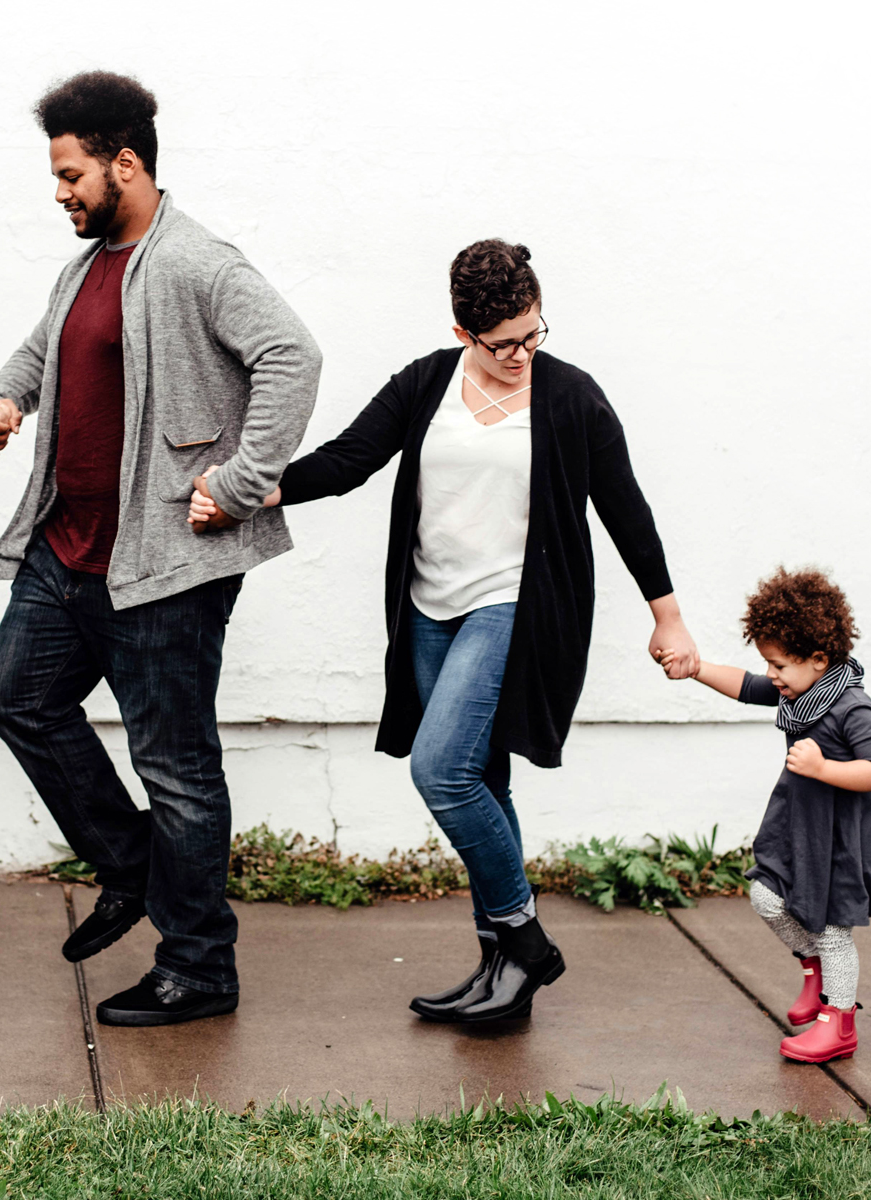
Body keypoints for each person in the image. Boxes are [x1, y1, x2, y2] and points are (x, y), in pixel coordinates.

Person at [190, 240, 700, 1023]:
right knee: (483, 781)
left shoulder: (571, 398)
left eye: (534, 334)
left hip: (512, 607)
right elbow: (350, 459)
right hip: (429, 610)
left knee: (442, 772)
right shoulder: (430, 382)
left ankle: (525, 941)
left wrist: (667, 616)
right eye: (503, 344)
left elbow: (625, 507)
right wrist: (248, 493)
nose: (522, 354)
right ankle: (502, 976)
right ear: (465, 333)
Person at [0, 71, 321, 1027]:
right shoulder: (85, 267)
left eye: (71, 173)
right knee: (15, 697)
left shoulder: (199, 263)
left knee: (176, 766)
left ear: (126, 163)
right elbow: (41, 353)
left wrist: (241, 483)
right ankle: (132, 870)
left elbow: (294, 356)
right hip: (67, 551)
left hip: (162, 564)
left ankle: (200, 967)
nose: (60, 192)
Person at [678, 567, 871, 1062]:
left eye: (779, 665)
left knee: (831, 929)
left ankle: (839, 1022)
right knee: (765, 894)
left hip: (841, 836)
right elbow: (744, 685)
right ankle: (814, 969)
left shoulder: (852, 706)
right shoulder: (797, 692)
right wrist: (695, 667)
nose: (772, 675)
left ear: (819, 659)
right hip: (800, 826)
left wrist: (824, 767)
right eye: (769, 664)